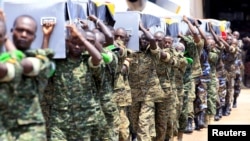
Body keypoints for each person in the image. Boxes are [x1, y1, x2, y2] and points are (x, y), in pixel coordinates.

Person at [48, 23, 107, 141]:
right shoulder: (58, 61)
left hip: (84, 119)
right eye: (73, 43)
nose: (76, 46)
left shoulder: (87, 61)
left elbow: (98, 58)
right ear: (67, 42)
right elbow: (43, 60)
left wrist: (82, 38)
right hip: (60, 119)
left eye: (80, 44)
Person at [2, 14, 55, 141]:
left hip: (29, 130)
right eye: (20, 30)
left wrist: (5, 37)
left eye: (29, 32)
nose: (24, 34)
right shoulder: (4, 58)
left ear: (34, 37)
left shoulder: (41, 60)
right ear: (12, 31)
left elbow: (22, 65)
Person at [127, 22, 171, 141]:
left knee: (144, 124)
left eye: (146, 39)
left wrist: (141, 28)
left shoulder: (153, 52)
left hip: (149, 95)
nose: (144, 41)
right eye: (142, 39)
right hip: (135, 95)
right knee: (135, 125)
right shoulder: (131, 53)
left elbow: (152, 39)